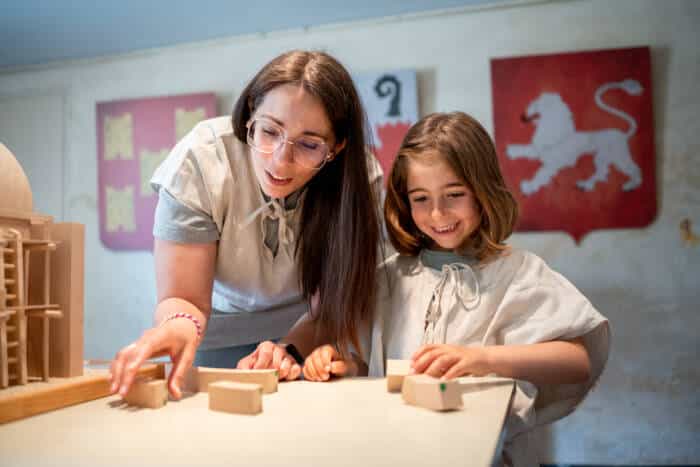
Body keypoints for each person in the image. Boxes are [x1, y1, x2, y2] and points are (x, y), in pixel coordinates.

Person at [301, 112, 610, 467]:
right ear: (403, 199)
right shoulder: (386, 279)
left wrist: (482, 359)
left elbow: (577, 362)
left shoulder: (518, 273)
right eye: (420, 198)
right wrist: (341, 366)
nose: (437, 213)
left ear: (483, 191)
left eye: (454, 194)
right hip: (398, 449)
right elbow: (367, 363)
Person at [109, 50, 383, 400]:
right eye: (270, 131)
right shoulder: (200, 162)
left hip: (311, 331)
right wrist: (180, 325)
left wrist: (291, 350)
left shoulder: (359, 181)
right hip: (213, 330)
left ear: (337, 147)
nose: (281, 162)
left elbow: (334, 300)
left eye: (309, 144)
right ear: (251, 112)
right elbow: (184, 298)